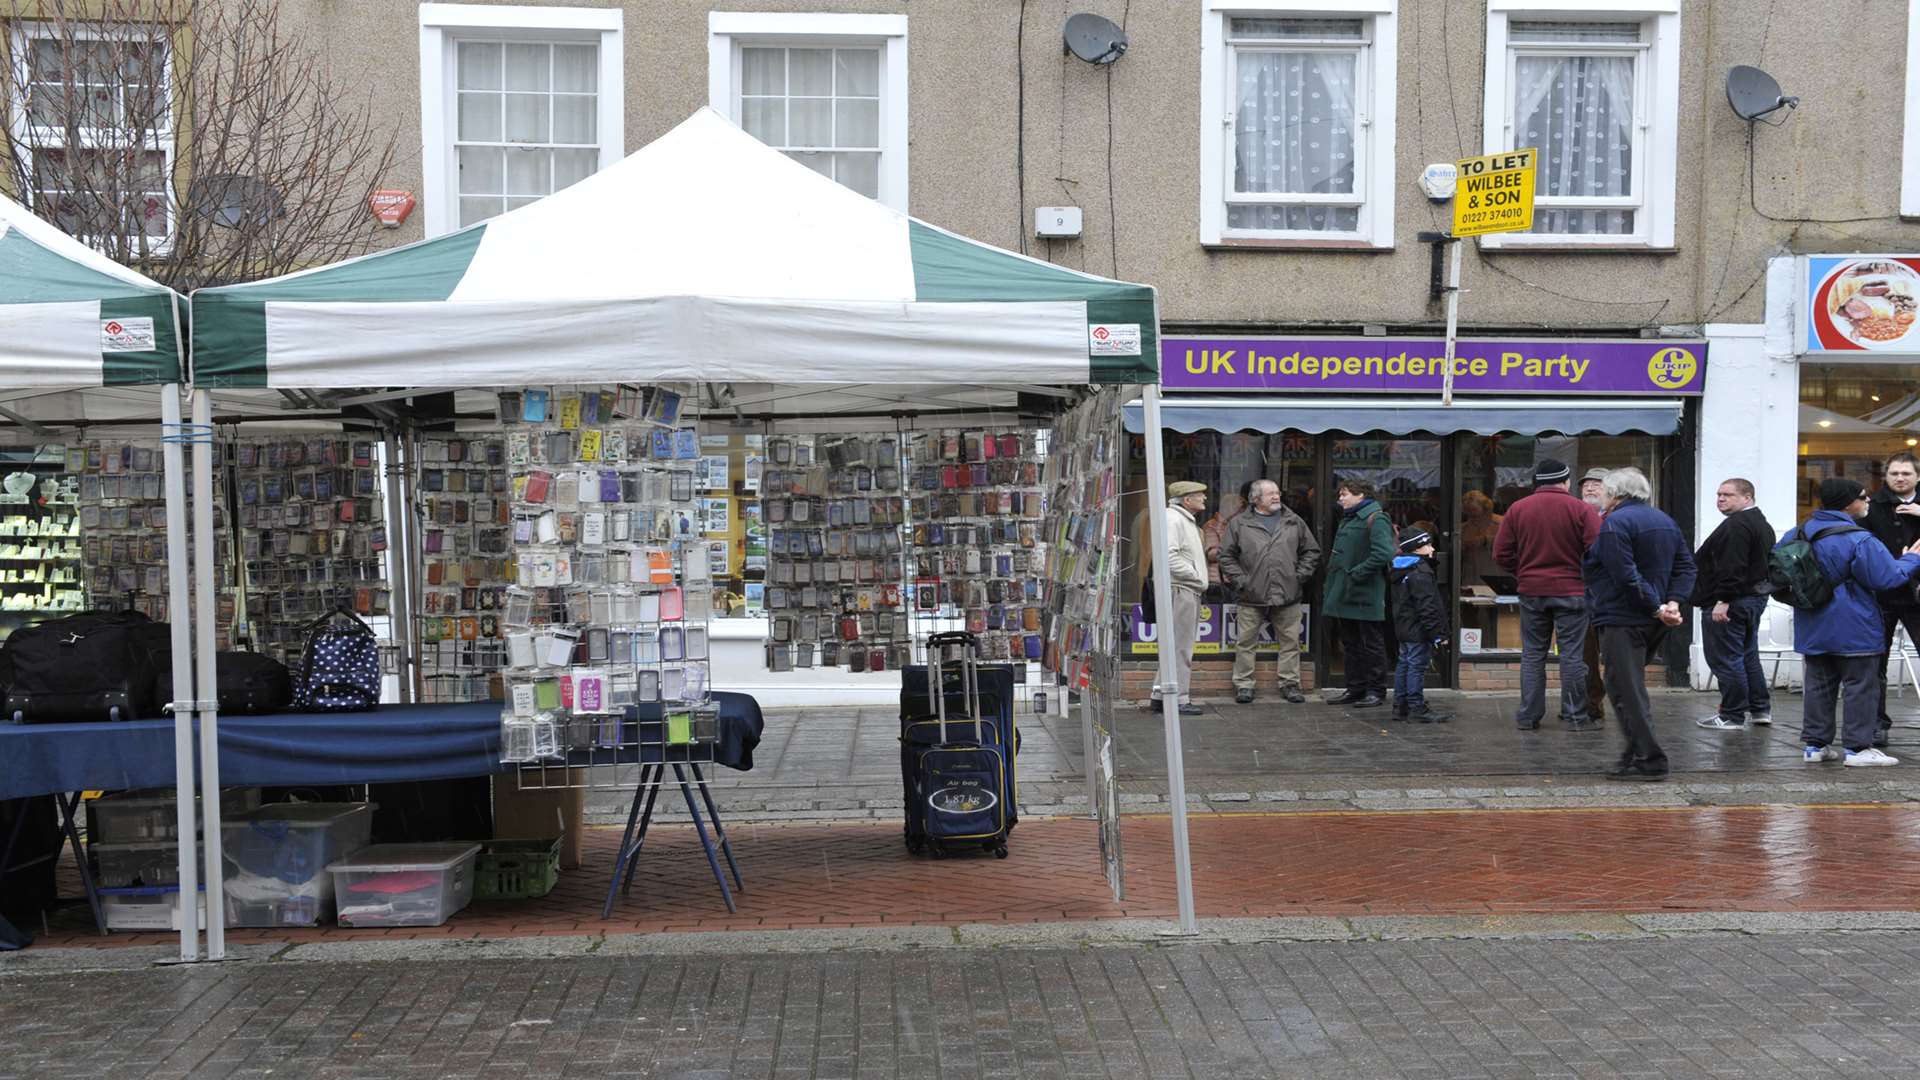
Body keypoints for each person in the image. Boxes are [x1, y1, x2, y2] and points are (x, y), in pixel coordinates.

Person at [1782, 478, 1920, 767]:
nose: (1868, 500)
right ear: (1848, 504)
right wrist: (1911, 560)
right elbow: (1887, 577)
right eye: (1863, 496)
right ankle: (1858, 748)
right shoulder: (1860, 539)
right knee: (1861, 686)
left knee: (1819, 684)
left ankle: (1815, 746)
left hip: (1813, 624)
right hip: (1855, 625)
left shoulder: (1797, 533)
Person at [1584, 468, 1695, 781]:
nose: (1601, 496)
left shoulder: (1615, 523)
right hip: (1651, 618)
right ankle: (1635, 754)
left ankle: (1649, 759)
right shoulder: (1664, 520)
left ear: (1617, 494)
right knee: (1626, 687)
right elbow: (1686, 567)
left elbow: (1624, 574)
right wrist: (1672, 602)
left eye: (1604, 491)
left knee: (1624, 689)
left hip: (1624, 617)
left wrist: (1660, 606)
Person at [1493, 458, 1603, 732]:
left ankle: (1528, 717)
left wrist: (1523, 572)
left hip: (1532, 591)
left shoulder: (1518, 509)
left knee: (1532, 654)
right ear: (1565, 482)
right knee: (1572, 656)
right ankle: (1576, 715)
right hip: (1573, 592)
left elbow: (1500, 554)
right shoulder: (1580, 509)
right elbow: (1599, 552)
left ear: (1537, 483)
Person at [1219, 478, 1320, 705]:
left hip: (1287, 593)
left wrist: (1298, 576)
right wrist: (1241, 581)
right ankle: (1244, 685)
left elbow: (1311, 551)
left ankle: (1290, 684)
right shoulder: (1239, 523)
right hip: (1250, 594)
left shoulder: (1293, 521)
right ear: (1256, 499)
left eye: (1277, 492)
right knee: (1245, 643)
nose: (1276, 497)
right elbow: (1226, 556)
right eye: (1270, 494)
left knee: (1291, 642)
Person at [1691, 478, 1776, 731]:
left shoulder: (1738, 525)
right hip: (1752, 599)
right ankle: (1760, 709)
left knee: (1726, 659)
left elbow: (1732, 567)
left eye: (1728, 494)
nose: (1720, 499)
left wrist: (1722, 600)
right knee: (1747, 655)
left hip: (1734, 602)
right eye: (1718, 494)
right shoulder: (1759, 523)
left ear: (1747, 497)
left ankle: (1732, 714)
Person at [1864, 452, 1920, 749]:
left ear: (1917, 477)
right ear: (1886, 476)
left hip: (1917, 594)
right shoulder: (1872, 506)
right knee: (1875, 662)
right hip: (1881, 594)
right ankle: (1876, 724)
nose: (1900, 478)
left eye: (1906, 474)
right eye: (1895, 473)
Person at [1324, 478, 1396, 708]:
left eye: (1344, 494)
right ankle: (1355, 688)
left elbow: (1383, 554)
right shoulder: (1350, 518)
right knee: (1351, 642)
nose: (1340, 498)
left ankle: (1376, 690)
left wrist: (1357, 573)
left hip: (1365, 591)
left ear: (1360, 495)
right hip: (1346, 591)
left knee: (1371, 643)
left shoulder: (1377, 518)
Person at [1147, 480, 1208, 717]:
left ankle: (1159, 695)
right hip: (1181, 589)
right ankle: (1180, 698)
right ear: (1187, 500)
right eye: (1199, 495)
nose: (1204, 498)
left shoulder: (1178, 518)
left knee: (1175, 646)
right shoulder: (1174, 519)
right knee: (1181, 647)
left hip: (1182, 588)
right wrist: (1196, 577)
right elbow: (1168, 556)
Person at [1389, 529, 1451, 723]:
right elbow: (1428, 606)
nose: (1432, 548)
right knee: (1417, 666)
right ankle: (1416, 706)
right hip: (1418, 629)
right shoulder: (1420, 573)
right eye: (1428, 545)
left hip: (1404, 626)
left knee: (1405, 663)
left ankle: (1400, 706)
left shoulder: (1401, 569)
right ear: (1417, 549)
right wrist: (1438, 634)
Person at [1579, 467, 1611, 720]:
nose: (1590, 488)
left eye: (1596, 484)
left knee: (1614, 654)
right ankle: (1591, 703)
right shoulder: (1573, 515)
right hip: (1579, 594)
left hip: (1611, 596)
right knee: (1585, 654)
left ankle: (1624, 702)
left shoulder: (1616, 517)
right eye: (1586, 484)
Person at [1203, 482, 1252, 604]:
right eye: (1241, 509)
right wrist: (1237, 548)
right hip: (1218, 583)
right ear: (1231, 509)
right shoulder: (1212, 526)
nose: (1243, 513)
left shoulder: (1239, 526)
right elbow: (1211, 554)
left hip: (1235, 580)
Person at [1458, 489, 1503, 585]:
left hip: (1495, 574)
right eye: (1467, 510)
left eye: (1473, 510)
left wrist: (1487, 540)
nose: (1471, 514)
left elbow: (1513, 542)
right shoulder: (1464, 528)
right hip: (1471, 577)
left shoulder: (1501, 523)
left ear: (1485, 507)